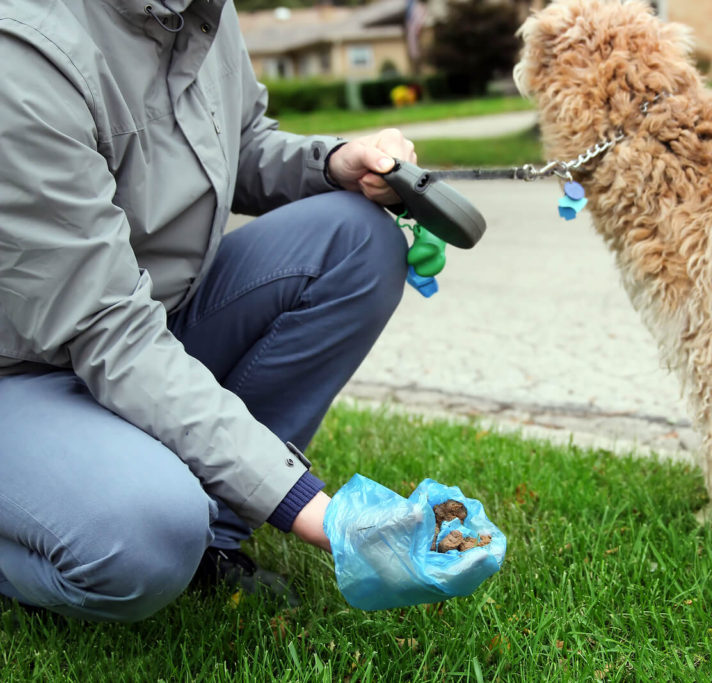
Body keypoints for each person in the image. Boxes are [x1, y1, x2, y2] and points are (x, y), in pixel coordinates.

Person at [0, 0, 420, 621]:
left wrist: (332, 163)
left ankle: (212, 546)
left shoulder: (199, 11)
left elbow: (238, 141)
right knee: (144, 537)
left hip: (148, 322)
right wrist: (313, 509)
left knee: (356, 239)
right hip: (26, 366)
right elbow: (106, 330)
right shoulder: (24, 52)